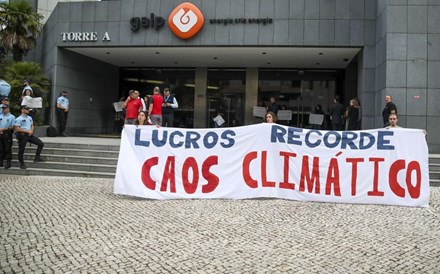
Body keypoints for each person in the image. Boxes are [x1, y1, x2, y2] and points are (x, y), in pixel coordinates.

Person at [14, 105, 45, 169]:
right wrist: (27, 131)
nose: (28, 110)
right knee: (21, 150)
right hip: (22, 135)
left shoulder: (29, 118)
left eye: (28, 109)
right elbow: (17, 129)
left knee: (40, 143)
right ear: (22, 110)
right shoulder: (18, 119)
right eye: (26, 109)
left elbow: (32, 125)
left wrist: (31, 131)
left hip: (29, 135)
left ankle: (37, 157)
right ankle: (21, 163)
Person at [0, 104, 15, 169]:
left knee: (7, 149)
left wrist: (4, 129)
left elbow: (13, 127)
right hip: (0, 133)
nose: (3, 110)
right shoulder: (0, 116)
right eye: (3, 108)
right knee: (1, 149)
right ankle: (1, 162)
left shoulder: (12, 117)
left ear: (8, 108)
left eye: (5, 108)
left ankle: (8, 163)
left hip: (7, 133)